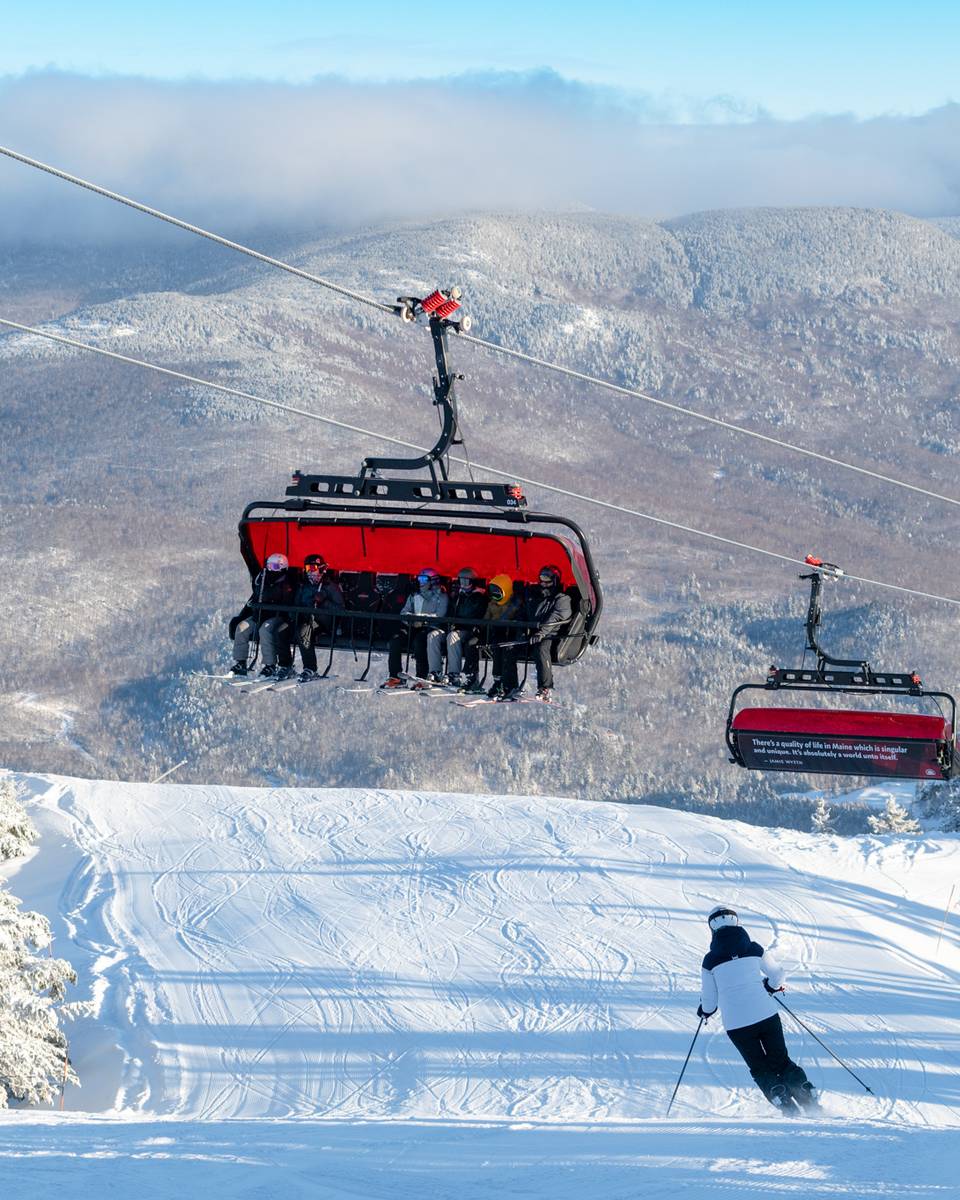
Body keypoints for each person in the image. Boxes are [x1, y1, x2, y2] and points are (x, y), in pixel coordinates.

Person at [698, 905, 818, 1113]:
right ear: (737, 922)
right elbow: (778, 975)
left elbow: (710, 1001)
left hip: (737, 1024)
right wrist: (769, 987)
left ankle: (782, 1099)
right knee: (780, 1060)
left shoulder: (710, 961)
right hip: (766, 1014)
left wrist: (705, 1011)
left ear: (712, 928)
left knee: (759, 1066)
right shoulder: (754, 949)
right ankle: (805, 1093)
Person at [501, 565, 572, 701]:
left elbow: (556, 617)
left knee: (541, 649)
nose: (544, 584)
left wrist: (541, 633)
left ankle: (545, 688)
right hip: (531, 632)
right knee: (509, 648)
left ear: (555, 580)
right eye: (542, 580)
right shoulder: (534, 596)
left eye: (547, 580)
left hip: (551, 635)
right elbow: (523, 614)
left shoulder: (561, 599)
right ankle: (510, 687)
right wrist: (521, 631)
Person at [229, 552, 296, 677]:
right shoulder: (262, 579)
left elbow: (285, 600)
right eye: (269, 566)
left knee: (265, 630)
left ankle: (270, 665)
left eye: (275, 567)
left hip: (275, 616)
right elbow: (256, 593)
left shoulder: (286, 583)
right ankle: (241, 662)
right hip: (258, 614)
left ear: (283, 567)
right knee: (241, 628)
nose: (271, 569)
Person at [382, 567, 448, 688]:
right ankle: (395, 676)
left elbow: (439, 615)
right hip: (412, 627)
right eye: (419, 579)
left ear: (432, 581)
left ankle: (422, 677)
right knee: (396, 639)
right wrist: (411, 620)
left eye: (423, 579)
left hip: (430, 628)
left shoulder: (441, 597)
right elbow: (404, 612)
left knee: (420, 641)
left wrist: (422, 621)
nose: (420, 582)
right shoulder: (414, 596)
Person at [292, 555, 344, 682]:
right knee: (285, 630)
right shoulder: (304, 586)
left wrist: (324, 602)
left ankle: (310, 668)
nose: (309, 571)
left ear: (320, 568)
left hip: (323, 622)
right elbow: (295, 605)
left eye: (312, 568)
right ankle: (283, 665)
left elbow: (341, 609)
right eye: (307, 568)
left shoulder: (330, 587)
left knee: (304, 632)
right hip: (306, 620)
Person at [444, 567, 487, 690]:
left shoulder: (480, 597)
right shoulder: (458, 596)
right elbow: (452, 612)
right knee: (452, 636)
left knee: (470, 644)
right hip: (460, 629)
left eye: (466, 581)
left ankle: (472, 678)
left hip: (473, 630)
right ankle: (453, 674)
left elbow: (478, 613)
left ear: (473, 582)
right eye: (461, 581)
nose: (463, 584)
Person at [483, 574, 523, 699]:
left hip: (511, 635)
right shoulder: (492, 604)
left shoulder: (515, 605)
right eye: (492, 592)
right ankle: (498, 681)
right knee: (497, 648)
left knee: (507, 652)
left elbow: (518, 619)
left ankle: (510, 685)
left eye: (497, 592)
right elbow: (485, 620)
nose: (494, 595)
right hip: (498, 634)